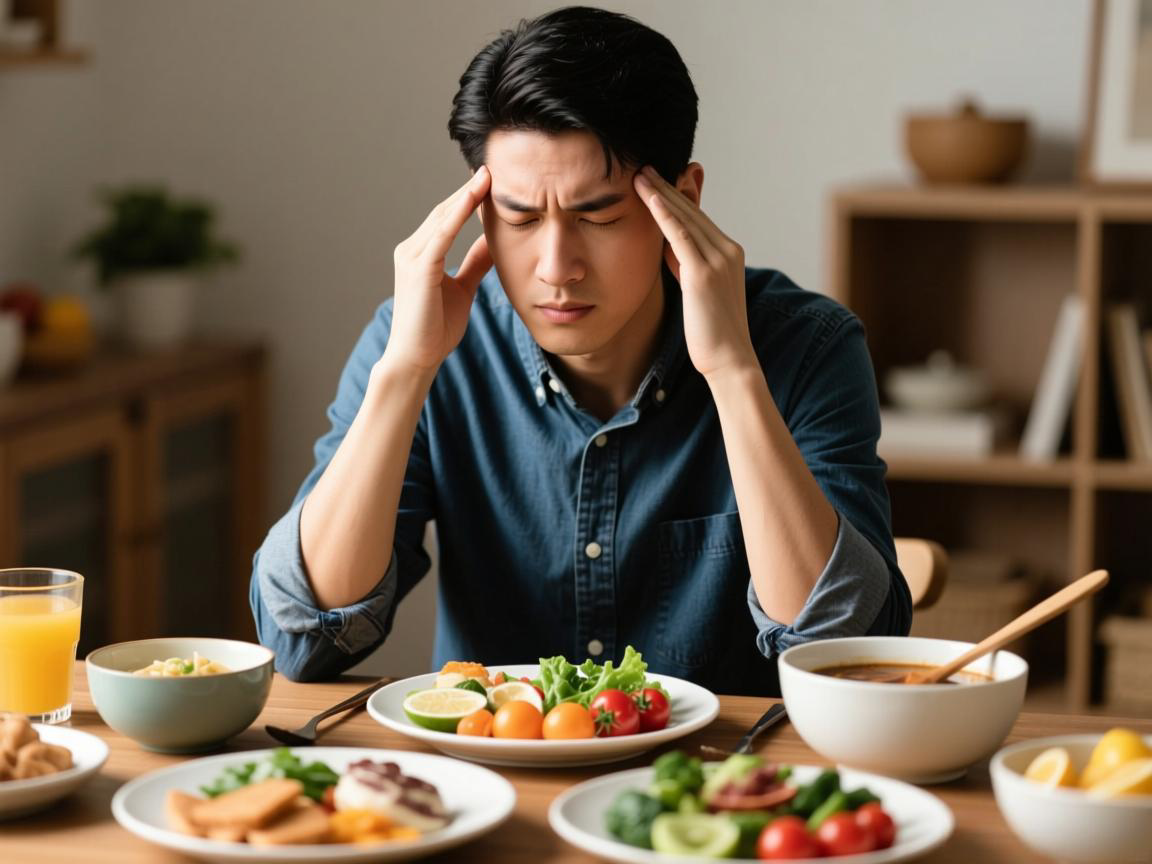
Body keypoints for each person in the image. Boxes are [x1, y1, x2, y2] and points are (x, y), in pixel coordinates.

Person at [250, 5, 911, 696]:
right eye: (519, 218)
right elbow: (300, 638)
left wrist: (733, 371)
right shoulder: (419, 341)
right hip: (492, 761)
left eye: (598, 216)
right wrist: (405, 374)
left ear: (684, 201)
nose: (556, 267)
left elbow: (846, 652)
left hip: (721, 763)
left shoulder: (807, 347)